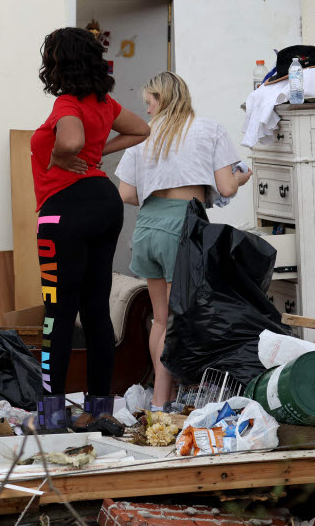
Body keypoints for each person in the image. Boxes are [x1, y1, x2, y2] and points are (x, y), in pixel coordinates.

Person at [31, 27, 150, 428]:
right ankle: (99, 410)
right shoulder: (105, 103)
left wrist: (63, 156)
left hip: (63, 207)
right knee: (96, 311)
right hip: (103, 201)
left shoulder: (67, 104)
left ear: (58, 64)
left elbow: (69, 140)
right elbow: (141, 130)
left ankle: (51, 414)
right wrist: (97, 153)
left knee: (57, 313)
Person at [116, 71, 253, 411]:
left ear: (161, 99)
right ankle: (165, 402)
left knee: (160, 319)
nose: (147, 111)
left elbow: (126, 193)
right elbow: (226, 188)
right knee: (181, 320)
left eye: (149, 103)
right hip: (183, 226)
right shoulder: (208, 129)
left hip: (147, 227)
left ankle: (165, 398)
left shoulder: (142, 137)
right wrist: (241, 178)